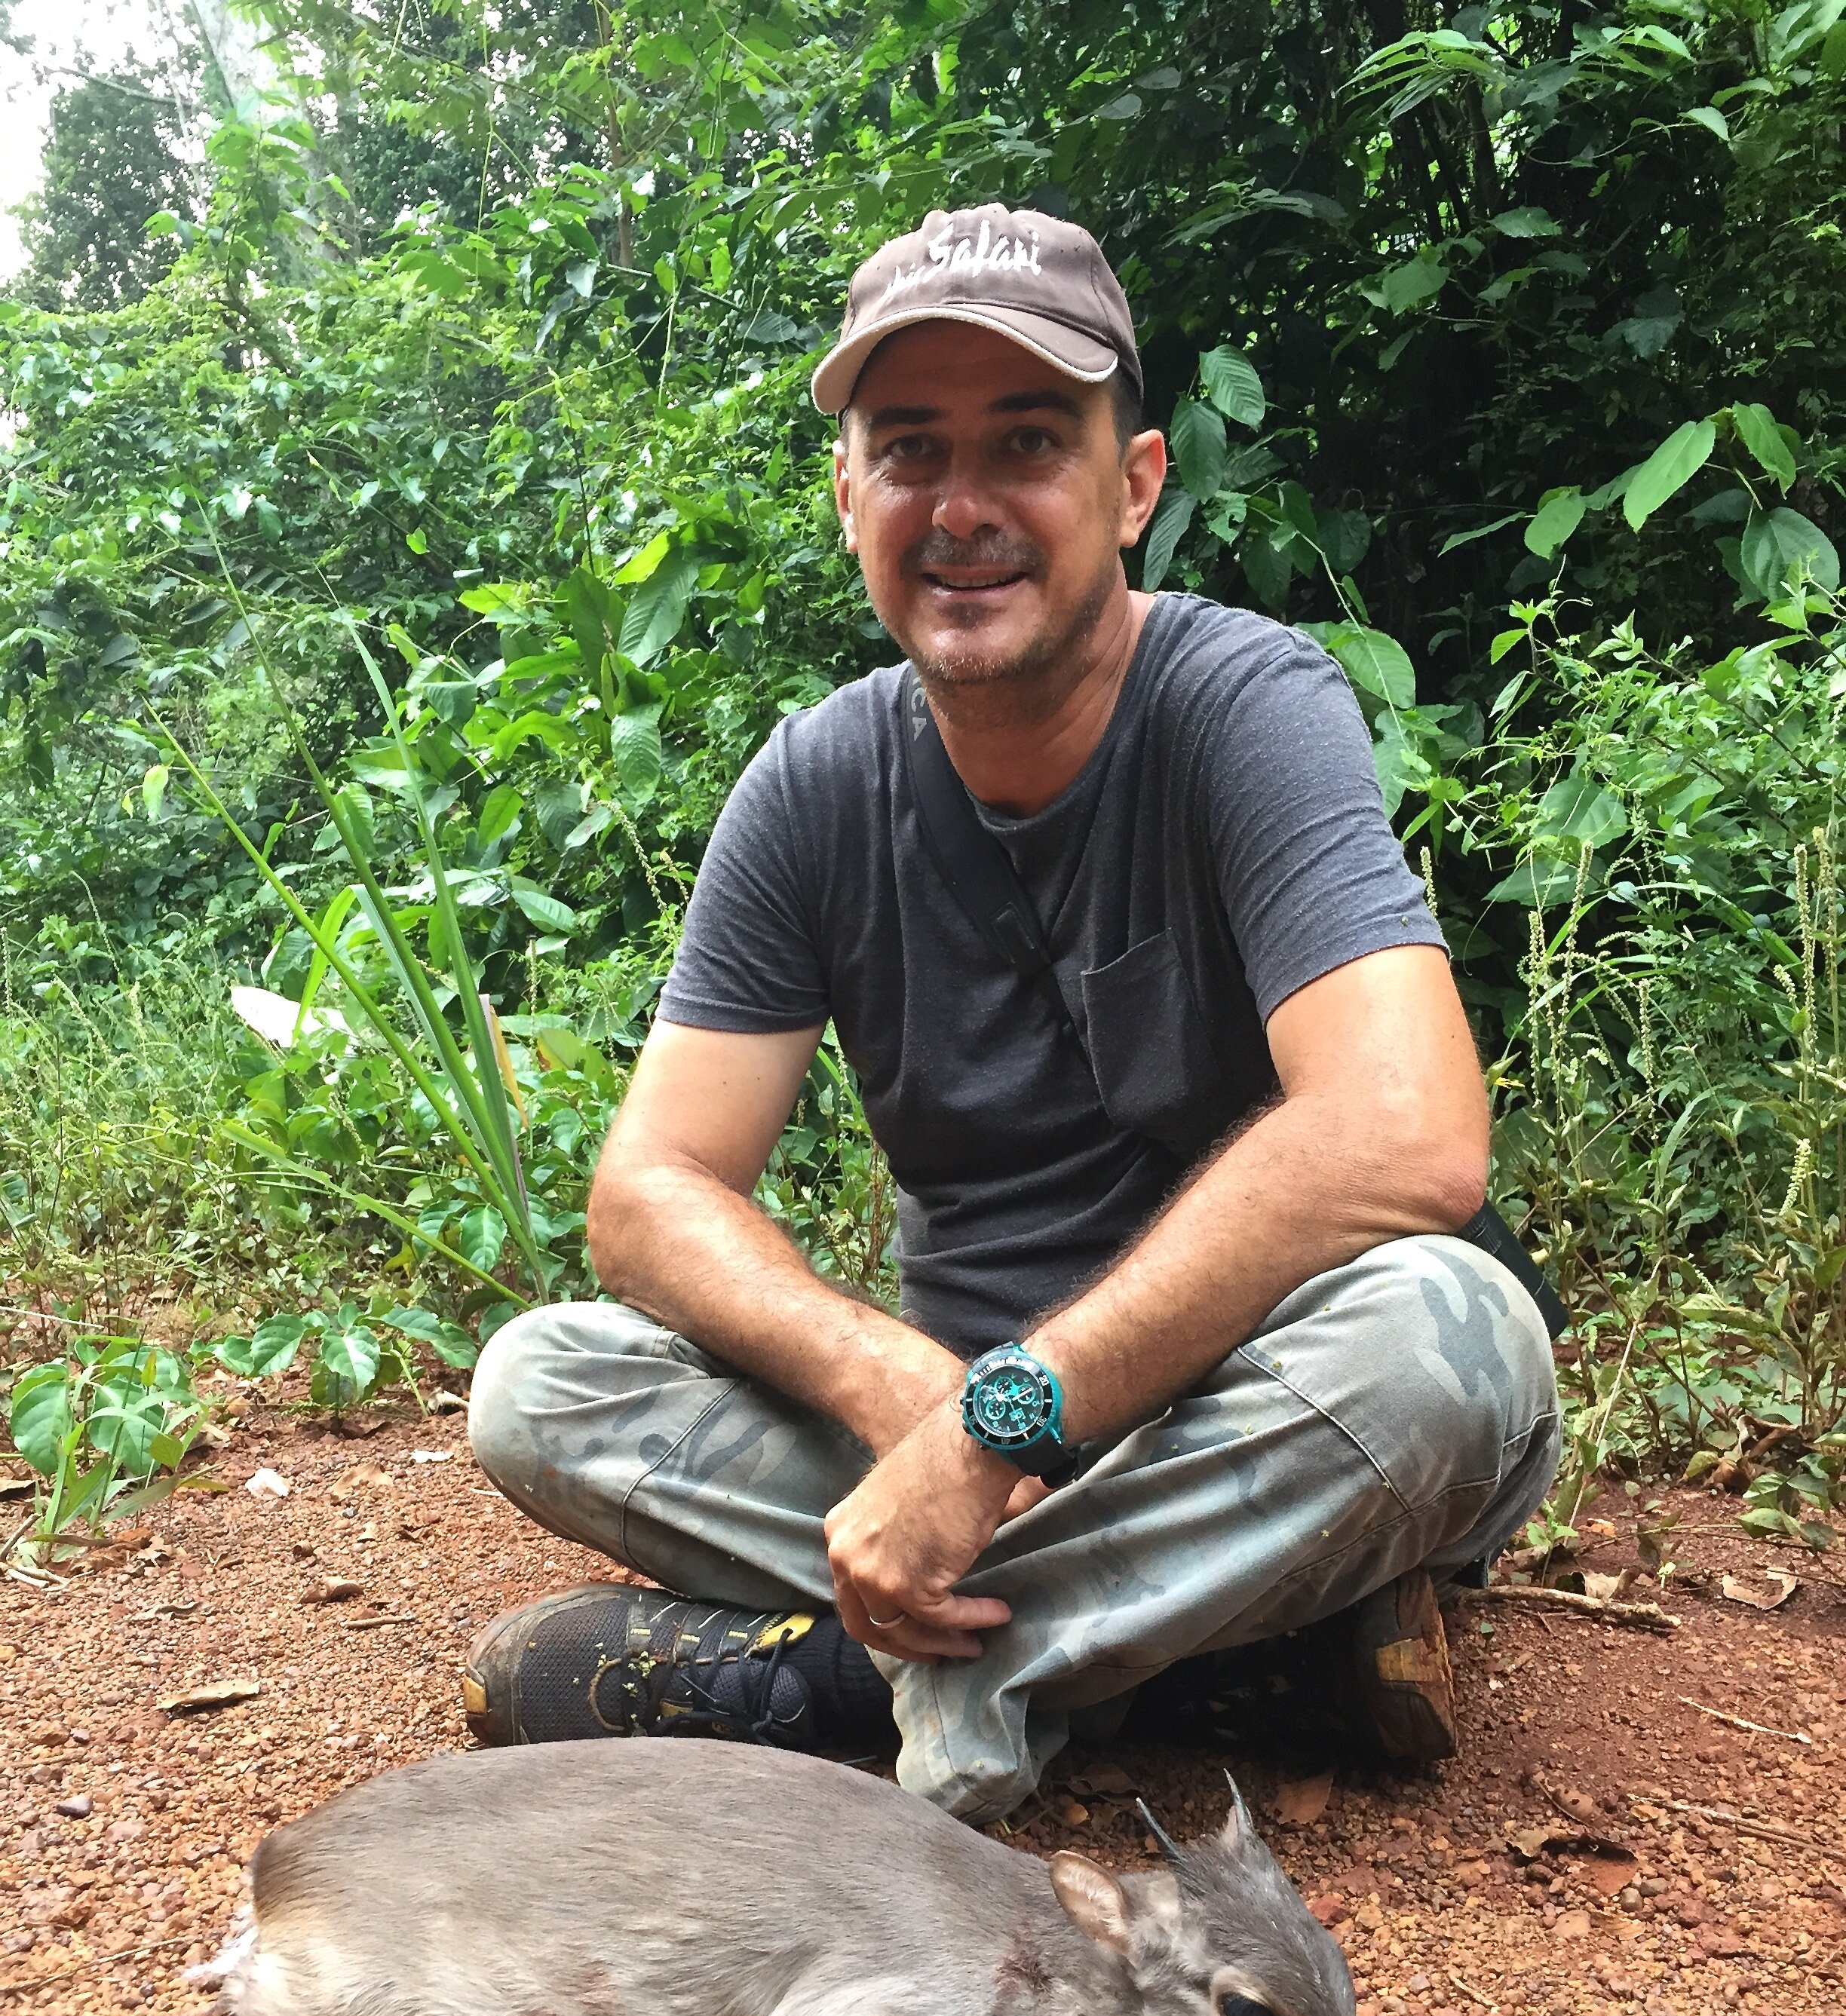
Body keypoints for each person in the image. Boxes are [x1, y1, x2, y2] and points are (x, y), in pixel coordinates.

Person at [463, 202, 1561, 1823]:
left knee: (1454, 1345)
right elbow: (647, 1194)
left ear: (1133, 485)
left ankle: (844, 1676)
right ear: (849, 497)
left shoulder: (1246, 705)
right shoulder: (817, 785)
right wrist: (920, 1404)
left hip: (1256, 1411)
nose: (961, 508)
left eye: (1028, 443)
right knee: (538, 1384)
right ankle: (1240, 1648)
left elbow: (1405, 1133)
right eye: (910, 451)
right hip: (1004, 1447)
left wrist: (1003, 1428)